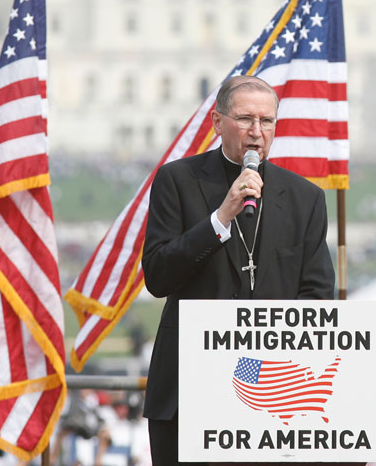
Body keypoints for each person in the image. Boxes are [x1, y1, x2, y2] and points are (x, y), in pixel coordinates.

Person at [141, 75, 335, 464]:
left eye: (267, 121)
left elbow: (317, 296)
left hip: (271, 395)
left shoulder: (305, 198)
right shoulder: (177, 180)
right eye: (245, 119)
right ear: (217, 123)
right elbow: (158, 276)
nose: (256, 132)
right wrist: (219, 219)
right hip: (188, 386)